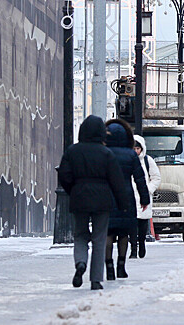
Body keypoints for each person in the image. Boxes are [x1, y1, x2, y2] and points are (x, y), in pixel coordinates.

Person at [57, 115, 131, 290]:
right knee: (99, 238)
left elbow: (64, 175)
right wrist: (123, 204)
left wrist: (73, 190)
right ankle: (96, 280)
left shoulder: (72, 151)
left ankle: (80, 263)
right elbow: (117, 181)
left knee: (80, 235)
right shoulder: (106, 154)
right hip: (102, 200)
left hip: (80, 197)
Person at [104, 119, 150, 280]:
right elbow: (140, 178)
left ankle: (109, 267)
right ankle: (121, 266)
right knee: (123, 233)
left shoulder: (104, 153)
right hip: (126, 196)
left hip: (107, 195)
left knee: (108, 233)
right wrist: (144, 198)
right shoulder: (131, 154)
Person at [130, 135, 161, 258]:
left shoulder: (148, 161)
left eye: (138, 148)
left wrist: (147, 190)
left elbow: (156, 177)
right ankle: (133, 248)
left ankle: (141, 244)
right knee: (131, 225)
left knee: (142, 225)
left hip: (144, 197)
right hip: (131, 197)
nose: (136, 151)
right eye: (133, 148)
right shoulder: (128, 160)